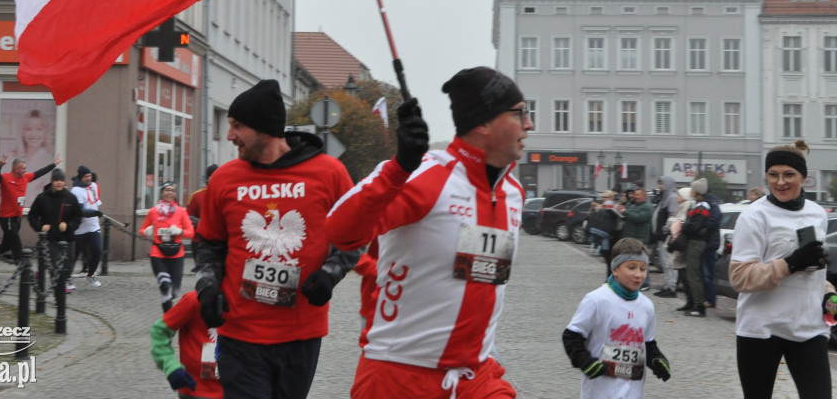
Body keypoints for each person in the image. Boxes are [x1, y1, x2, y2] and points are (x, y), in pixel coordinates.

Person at [326, 66, 531, 399]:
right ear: (484, 123)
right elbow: (340, 231)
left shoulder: (513, 192)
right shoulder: (422, 174)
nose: (529, 124)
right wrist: (398, 168)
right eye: (520, 113)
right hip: (398, 377)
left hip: (474, 378)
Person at [194, 79, 358, 399]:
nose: (230, 136)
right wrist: (206, 287)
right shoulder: (225, 179)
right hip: (239, 333)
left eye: (237, 126)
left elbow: (354, 238)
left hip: (301, 333)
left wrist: (331, 274)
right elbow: (208, 244)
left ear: (265, 129)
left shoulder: (329, 173)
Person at [729, 140, 835, 399]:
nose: (780, 182)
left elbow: (815, 271)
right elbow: (739, 277)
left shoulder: (817, 213)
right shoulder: (755, 216)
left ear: (803, 177)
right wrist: (790, 264)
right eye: (773, 175)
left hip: (808, 328)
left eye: (789, 174)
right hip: (761, 329)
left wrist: (829, 295)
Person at [562, 238, 671, 398]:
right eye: (631, 268)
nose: (638, 275)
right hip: (600, 391)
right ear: (615, 269)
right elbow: (571, 337)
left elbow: (646, 343)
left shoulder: (646, 306)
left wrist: (656, 359)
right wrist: (585, 361)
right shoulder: (596, 300)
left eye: (643, 269)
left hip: (633, 392)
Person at [150, 289, 223, 399]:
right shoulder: (193, 300)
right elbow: (159, 331)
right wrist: (171, 366)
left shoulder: (245, 303)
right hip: (197, 391)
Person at [0, 153, 60, 263]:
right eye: (22, 168)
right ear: (15, 169)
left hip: (17, 217)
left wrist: (54, 164)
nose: (24, 171)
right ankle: (22, 264)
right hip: (6, 217)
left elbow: (39, 173)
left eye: (25, 168)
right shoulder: (6, 178)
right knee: (16, 242)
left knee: (6, 245)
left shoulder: (25, 178)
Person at [27, 168, 82, 292]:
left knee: (67, 266)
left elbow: (78, 217)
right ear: (52, 181)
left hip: (68, 238)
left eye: (61, 180)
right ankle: (59, 292)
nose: (59, 183)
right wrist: (40, 226)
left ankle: (60, 282)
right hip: (50, 238)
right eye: (56, 180)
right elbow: (32, 216)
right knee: (54, 265)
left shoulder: (71, 198)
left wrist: (68, 225)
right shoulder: (42, 198)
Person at [143, 181, 195, 311]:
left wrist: (180, 231)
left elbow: (191, 232)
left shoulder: (181, 212)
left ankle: (168, 313)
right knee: (165, 285)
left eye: (172, 190)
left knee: (174, 291)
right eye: (167, 190)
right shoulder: (153, 212)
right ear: (162, 192)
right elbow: (142, 229)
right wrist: (146, 231)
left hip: (177, 254)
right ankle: (167, 319)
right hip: (158, 252)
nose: (170, 193)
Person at [679, 178, 718, 316]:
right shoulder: (699, 205)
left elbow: (696, 226)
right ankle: (696, 304)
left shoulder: (702, 207)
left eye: (693, 189)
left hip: (696, 242)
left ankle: (699, 306)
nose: (691, 191)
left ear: (697, 191)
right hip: (695, 241)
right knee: (693, 273)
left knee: (694, 274)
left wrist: (683, 225)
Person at [71, 165, 103, 287]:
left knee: (98, 250)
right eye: (85, 176)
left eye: (89, 176)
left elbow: (95, 203)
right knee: (74, 254)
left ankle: (91, 274)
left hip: (93, 226)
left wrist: (96, 211)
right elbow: (81, 210)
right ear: (80, 177)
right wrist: (93, 213)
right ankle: (67, 277)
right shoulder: (76, 191)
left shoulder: (93, 186)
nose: (88, 178)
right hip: (80, 228)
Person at [660, 186, 693, 300]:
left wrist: (671, 221)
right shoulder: (681, 206)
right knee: (669, 263)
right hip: (674, 237)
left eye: (679, 195)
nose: (677, 197)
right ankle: (669, 287)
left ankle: (672, 288)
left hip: (678, 240)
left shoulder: (687, 206)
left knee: (676, 266)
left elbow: (681, 221)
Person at [617, 187, 653, 290]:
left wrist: (625, 212)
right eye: (635, 194)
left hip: (640, 237)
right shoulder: (634, 205)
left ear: (643, 196)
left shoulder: (647, 207)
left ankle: (645, 283)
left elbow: (639, 218)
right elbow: (629, 217)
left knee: (642, 261)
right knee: (631, 260)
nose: (635, 196)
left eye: (637, 194)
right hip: (631, 237)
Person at [651, 177, 677, 289]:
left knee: (668, 263)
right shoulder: (663, 198)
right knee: (664, 262)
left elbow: (673, 216)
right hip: (661, 236)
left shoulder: (672, 197)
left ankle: (671, 286)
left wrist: (666, 228)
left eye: (661, 183)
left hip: (667, 236)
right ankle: (667, 285)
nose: (660, 186)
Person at [588, 190, 621, 276]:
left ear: (612, 198)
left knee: (612, 259)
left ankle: (611, 277)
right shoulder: (601, 207)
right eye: (603, 197)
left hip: (613, 236)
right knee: (607, 258)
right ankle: (608, 277)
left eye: (607, 197)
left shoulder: (616, 207)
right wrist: (593, 209)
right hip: (603, 235)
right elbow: (591, 217)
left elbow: (619, 220)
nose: (604, 199)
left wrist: (607, 209)